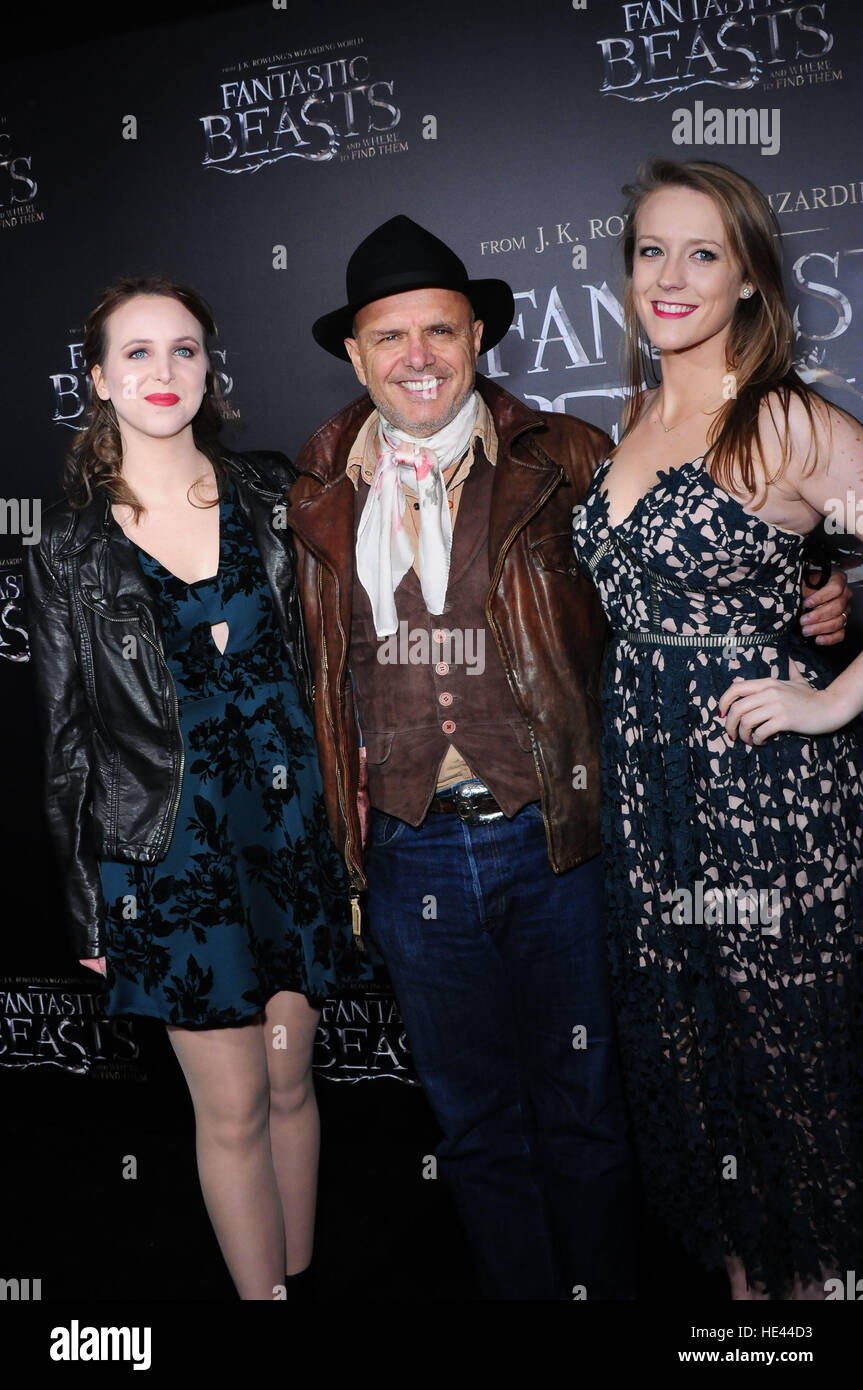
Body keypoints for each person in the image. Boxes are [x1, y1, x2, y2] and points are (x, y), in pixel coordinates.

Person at [285, 215, 848, 1300]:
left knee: (588, 1111)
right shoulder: (310, 492)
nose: (416, 355)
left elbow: (705, 564)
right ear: (353, 355)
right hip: (406, 854)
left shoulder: (573, 456)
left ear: (478, 339)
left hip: (557, 841)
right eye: (388, 335)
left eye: (439, 331)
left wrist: (819, 593)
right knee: (475, 1122)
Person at [25, 277, 366, 1301]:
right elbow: (66, 741)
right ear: (97, 380)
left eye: (183, 349)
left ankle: (300, 1282)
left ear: (209, 368)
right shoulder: (71, 550)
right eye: (136, 353)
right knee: (229, 1113)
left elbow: (346, 645)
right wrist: (89, 900)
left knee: (288, 1078)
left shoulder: (273, 490)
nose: (163, 371)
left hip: (292, 828)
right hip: (172, 857)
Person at [571, 157, 863, 1300]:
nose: (672, 275)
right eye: (651, 250)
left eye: (703, 252)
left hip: (768, 797)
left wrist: (830, 694)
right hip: (649, 796)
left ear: (747, 279)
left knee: (792, 1075)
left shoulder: (783, 419)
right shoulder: (633, 415)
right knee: (688, 1067)